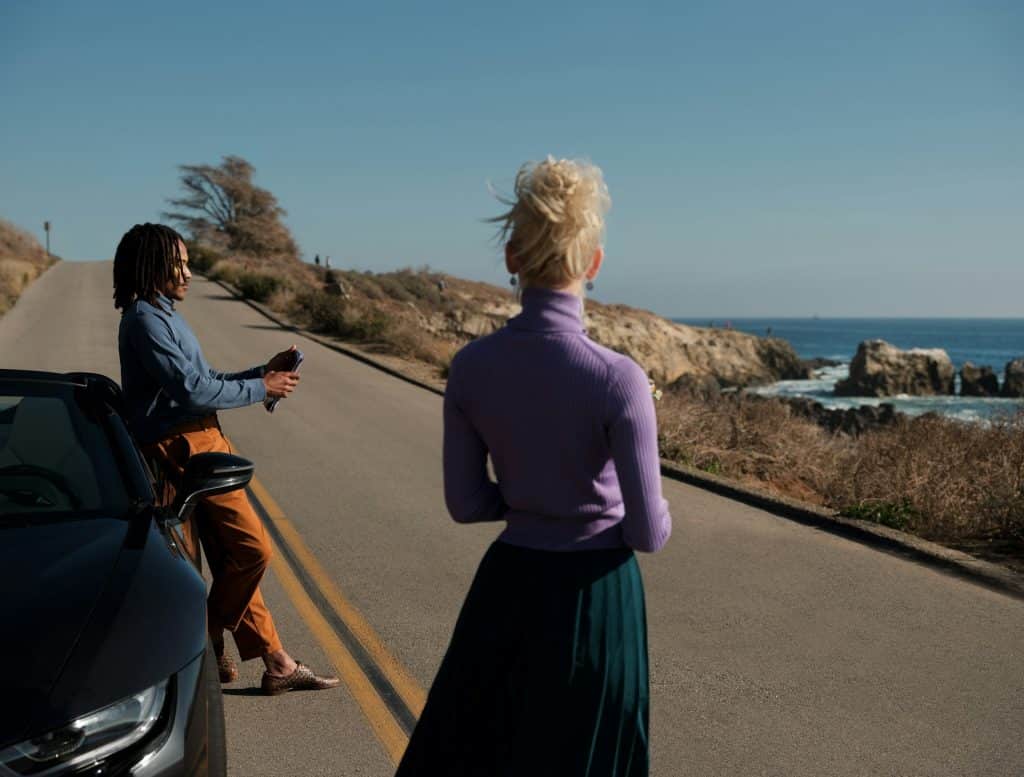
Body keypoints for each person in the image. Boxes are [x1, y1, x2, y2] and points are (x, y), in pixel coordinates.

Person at [395, 158, 671, 776]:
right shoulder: (618, 379)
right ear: (593, 263)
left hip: (510, 588)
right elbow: (649, 533)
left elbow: (466, 504)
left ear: (512, 257)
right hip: (598, 596)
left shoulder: (471, 367)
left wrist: (528, 503)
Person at [113, 223, 340, 696]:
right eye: (180, 263)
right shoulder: (144, 320)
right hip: (186, 449)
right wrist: (262, 389)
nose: (190, 272)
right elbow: (192, 390)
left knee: (227, 555)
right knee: (252, 550)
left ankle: (277, 662)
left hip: (201, 440)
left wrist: (264, 373)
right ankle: (201, 635)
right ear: (153, 265)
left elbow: (205, 377)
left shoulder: (165, 315)